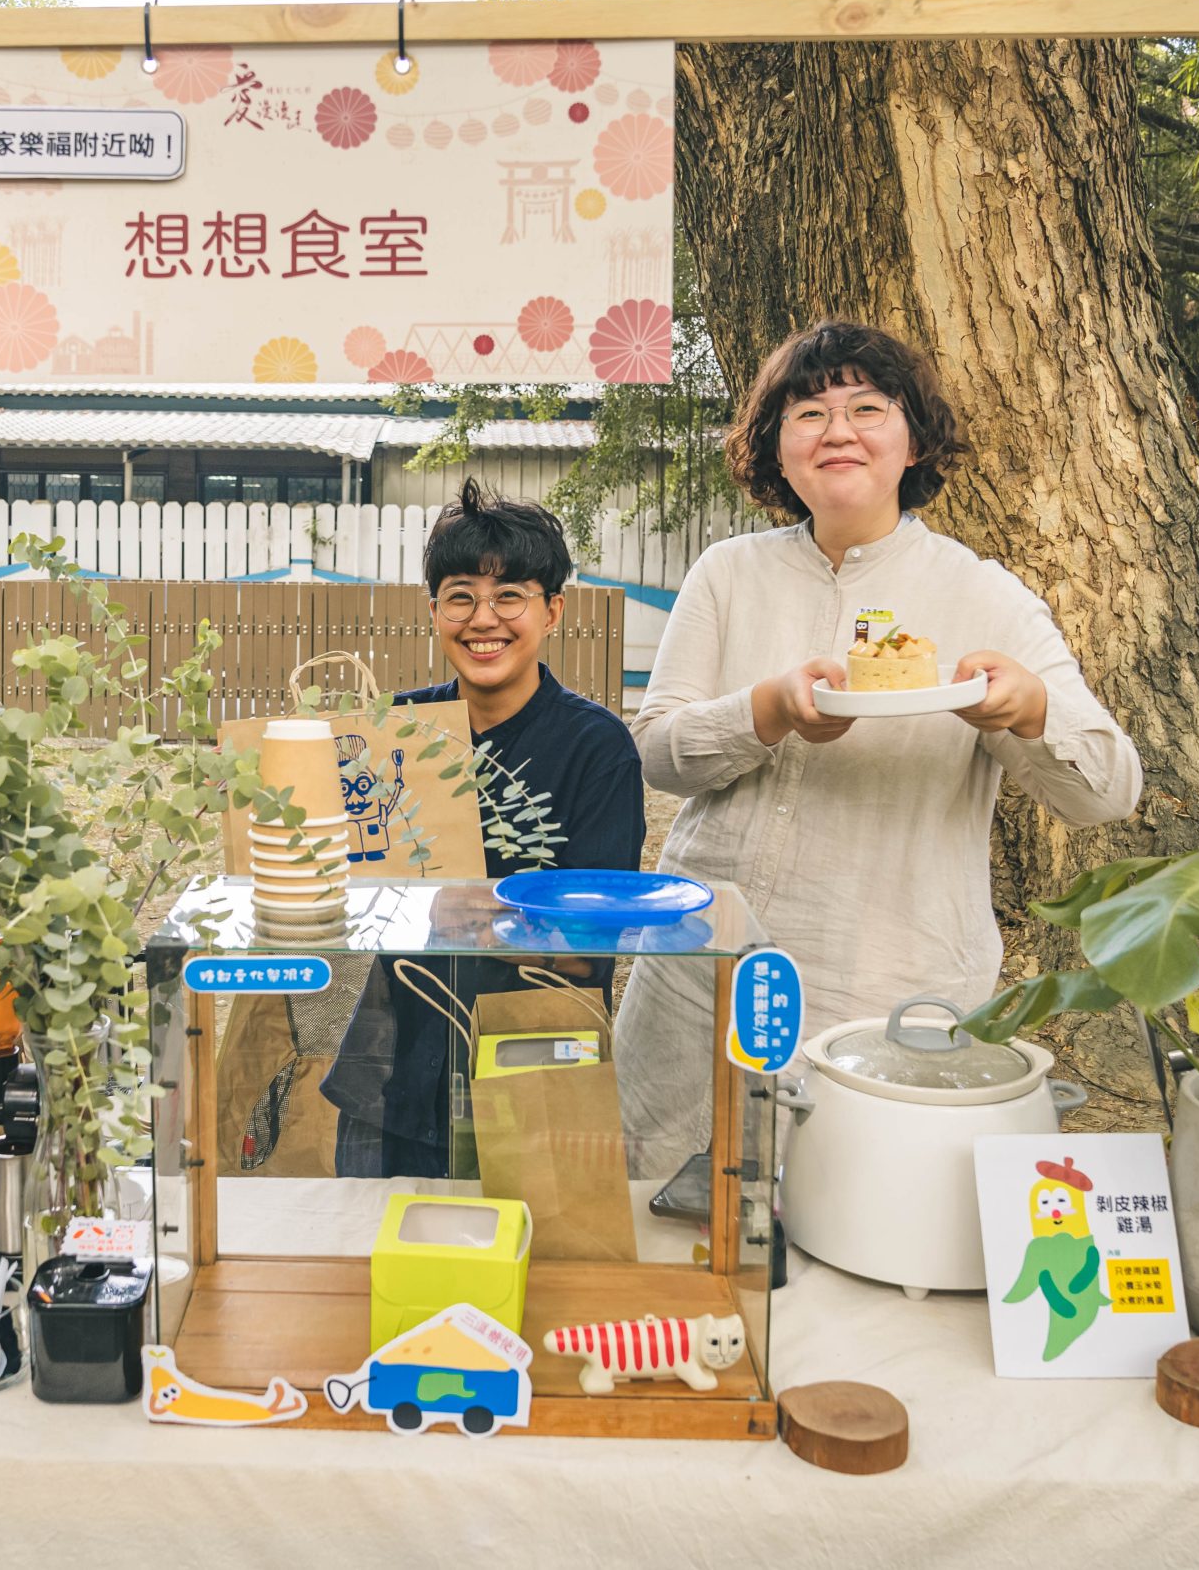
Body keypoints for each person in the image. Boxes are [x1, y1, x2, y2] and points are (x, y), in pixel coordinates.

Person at [616, 320, 1141, 1175]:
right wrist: (771, 709)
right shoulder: (727, 574)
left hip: (888, 979)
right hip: (705, 967)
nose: (838, 429)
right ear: (775, 450)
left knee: (862, 1219)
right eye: (808, 413)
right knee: (666, 1197)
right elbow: (659, 753)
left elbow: (1107, 789)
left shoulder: (982, 593)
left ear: (913, 441)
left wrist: (1030, 709)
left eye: (868, 406)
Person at [321, 479, 645, 1178]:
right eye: (461, 595)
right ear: (434, 610)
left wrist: (483, 914)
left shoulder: (598, 748)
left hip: (530, 1079)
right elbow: (344, 892)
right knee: (380, 1272)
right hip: (393, 1075)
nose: (483, 618)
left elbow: (590, 955)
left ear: (554, 609)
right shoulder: (395, 730)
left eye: (510, 596)